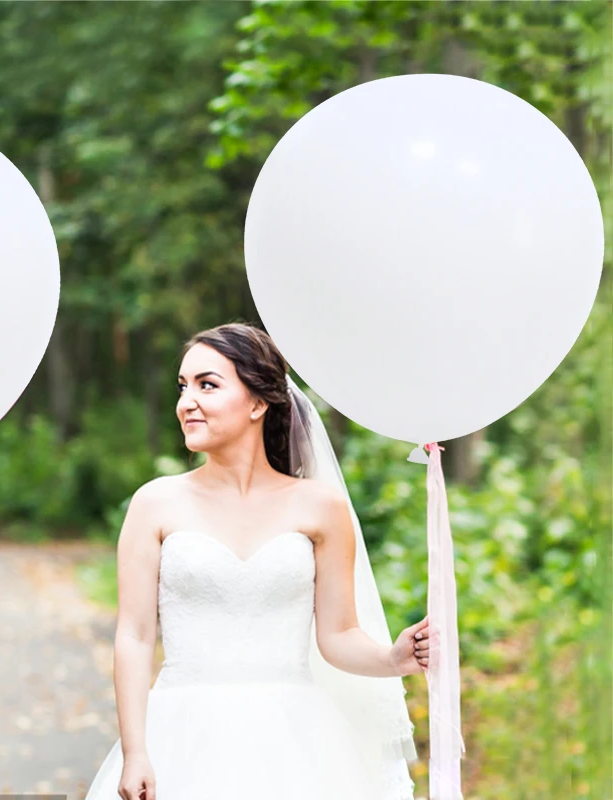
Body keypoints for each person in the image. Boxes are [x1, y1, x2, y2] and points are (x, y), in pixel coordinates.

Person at [84, 322, 428, 800]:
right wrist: (136, 750)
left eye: (207, 385)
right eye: (183, 387)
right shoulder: (154, 504)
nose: (187, 402)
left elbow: (338, 634)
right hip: (181, 736)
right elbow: (136, 636)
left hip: (296, 742)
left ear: (258, 402)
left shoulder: (320, 508)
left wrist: (393, 659)